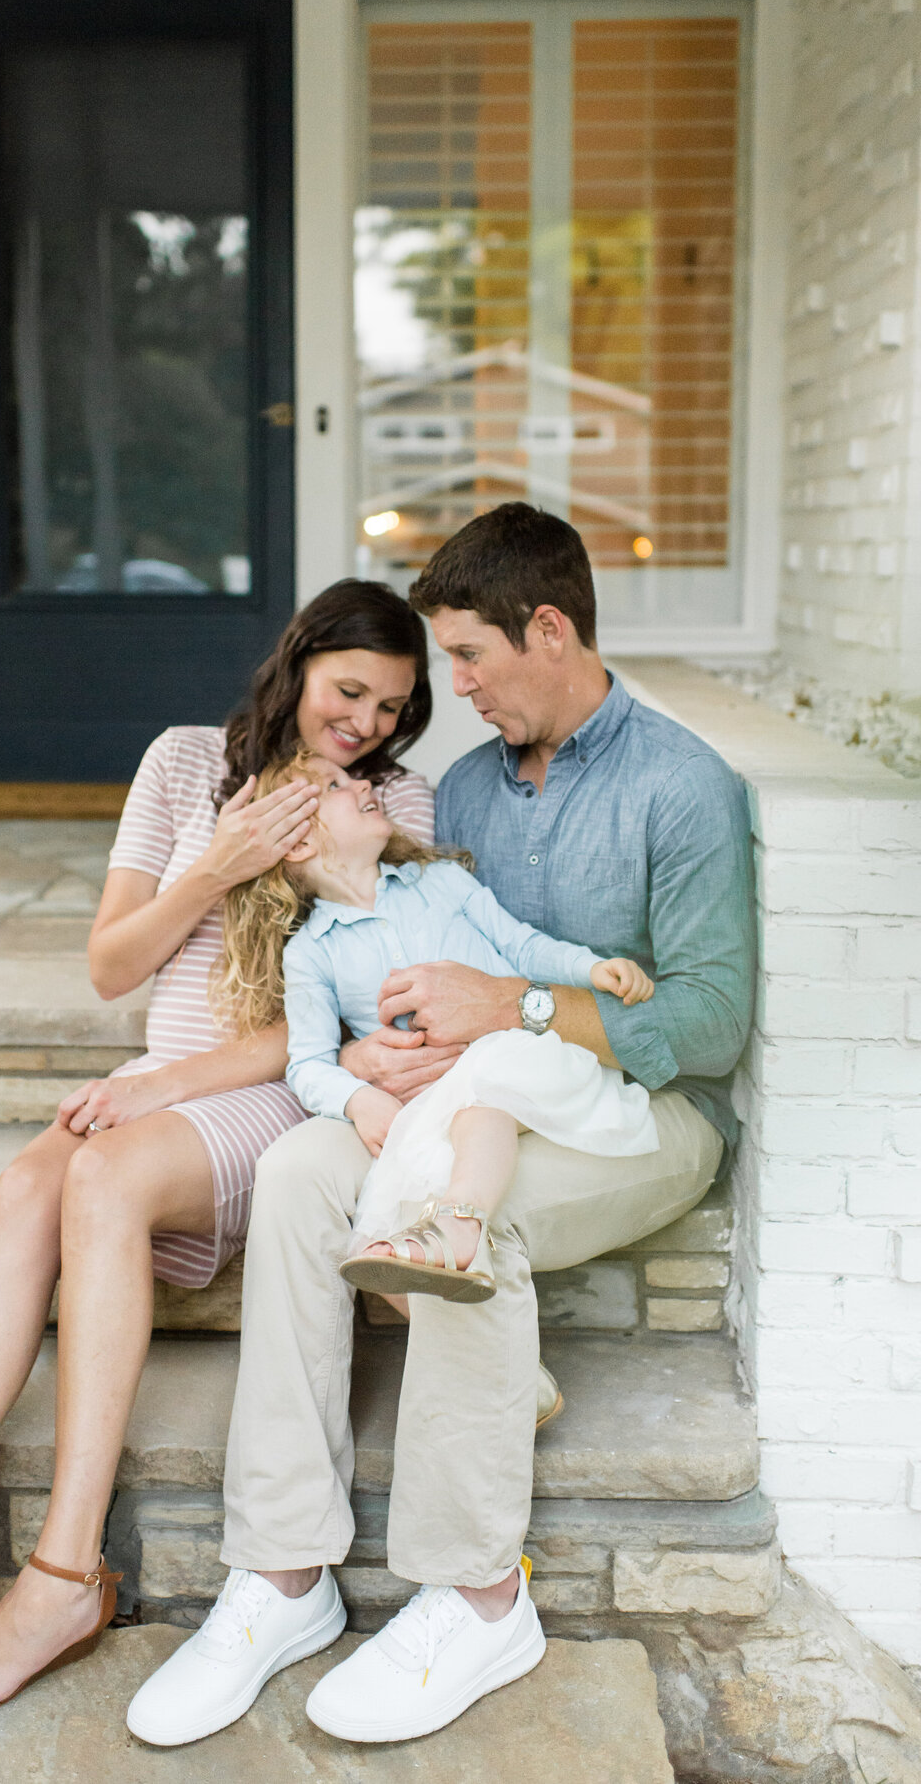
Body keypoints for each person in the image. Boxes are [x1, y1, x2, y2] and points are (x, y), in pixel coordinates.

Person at [127, 502, 756, 1750]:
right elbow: (399, 938)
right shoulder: (469, 784)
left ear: (551, 627)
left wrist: (514, 1007)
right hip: (457, 1097)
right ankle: (284, 1575)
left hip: (626, 1116)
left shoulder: (682, 789)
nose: (450, 690)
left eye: (468, 658)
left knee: (461, 1216)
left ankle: (478, 1596)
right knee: (306, 1172)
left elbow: (713, 1023)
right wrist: (380, 1058)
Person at [0, 581, 437, 1775]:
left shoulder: (389, 802)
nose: (365, 724)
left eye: (392, 708)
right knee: (24, 1193)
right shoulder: (184, 762)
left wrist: (159, 1088)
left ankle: (62, 1572)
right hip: (166, 1081)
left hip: (280, 1092)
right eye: (350, 692)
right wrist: (220, 864)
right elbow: (110, 966)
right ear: (298, 665)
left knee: (96, 1181)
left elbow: (340, 1011)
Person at [211, 746, 659, 1307]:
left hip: (520, 1060)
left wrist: (590, 967)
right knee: (380, 1218)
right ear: (299, 842)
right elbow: (307, 1063)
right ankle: (513, 1370)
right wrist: (358, 1101)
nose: (361, 785)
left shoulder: (442, 882)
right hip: (432, 1102)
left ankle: (461, 1226)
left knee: (482, 1100)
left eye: (353, 778)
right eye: (334, 787)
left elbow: (521, 944)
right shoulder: (312, 954)